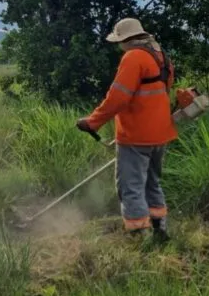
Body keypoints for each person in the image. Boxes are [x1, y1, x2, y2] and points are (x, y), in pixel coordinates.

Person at [76, 18, 177, 240]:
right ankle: (160, 229)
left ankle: (139, 235)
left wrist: (92, 122)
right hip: (161, 133)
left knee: (130, 186)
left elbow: (118, 98)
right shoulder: (160, 55)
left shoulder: (133, 57)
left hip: (136, 135)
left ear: (125, 40)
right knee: (152, 183)